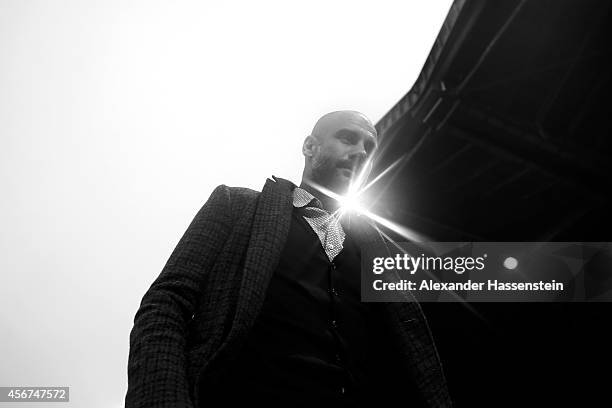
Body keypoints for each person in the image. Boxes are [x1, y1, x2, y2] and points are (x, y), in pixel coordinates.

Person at [125, 111, 452, 407]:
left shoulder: (383, 254)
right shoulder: (235, 207)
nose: (361, 152)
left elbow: (489, 280)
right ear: (310, 147)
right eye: (348, 138)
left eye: (370, 147)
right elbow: (167, 303)